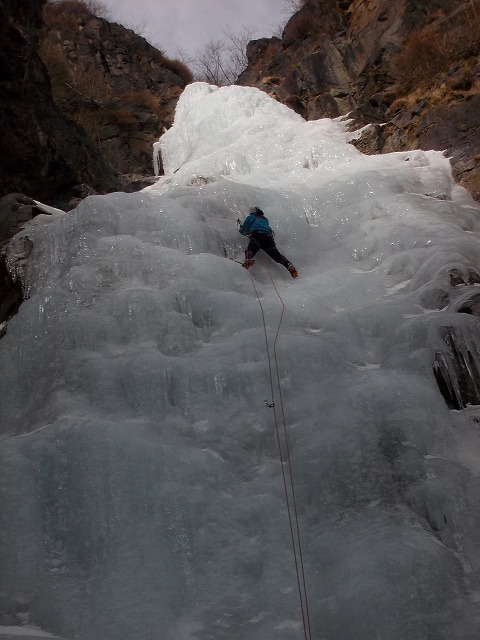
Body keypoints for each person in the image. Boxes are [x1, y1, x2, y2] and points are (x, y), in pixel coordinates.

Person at [238, 206, 298, 277]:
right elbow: (268, 229)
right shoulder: (264, 219)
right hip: (268, 238)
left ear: (251, 212)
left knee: (250, 250)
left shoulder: (251, 217)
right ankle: (289, 265)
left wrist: (242, 229)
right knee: (277, 256)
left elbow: (243, 230)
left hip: (257, 235)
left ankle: (249, 259)